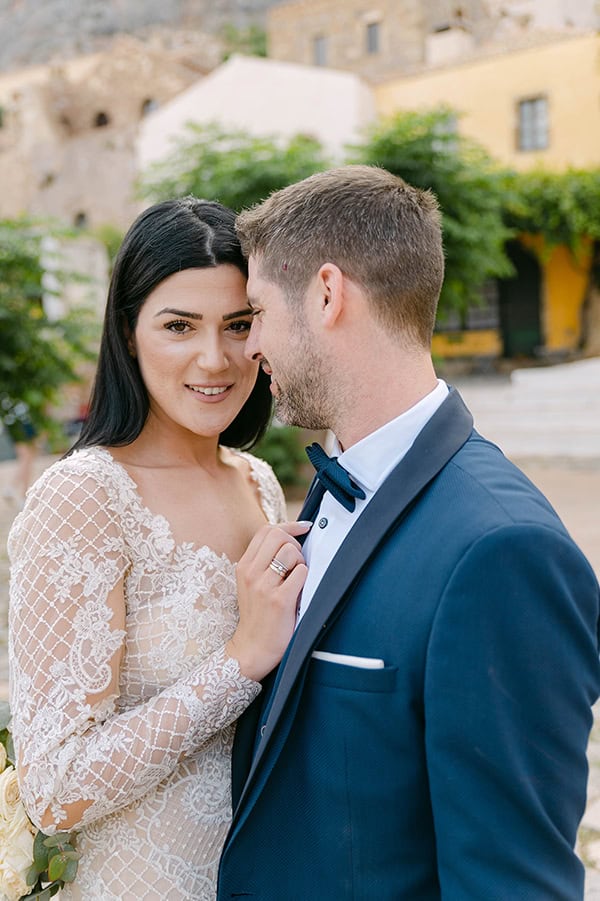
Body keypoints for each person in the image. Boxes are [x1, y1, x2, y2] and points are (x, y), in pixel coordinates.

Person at [217, 166, 600, 900]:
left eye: (257, 311)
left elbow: (509, 883)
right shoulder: (328, 492)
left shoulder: (502, 550)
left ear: (327, 294)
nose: (250, 345)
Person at [8, 198, 308, 900]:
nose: (216, 359)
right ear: (128, 332)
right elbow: (52, 789)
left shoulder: (258, 482)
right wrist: (240, 660)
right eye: (179, 326)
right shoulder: (83, 497)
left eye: (239, 325)